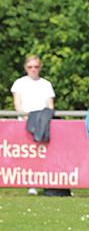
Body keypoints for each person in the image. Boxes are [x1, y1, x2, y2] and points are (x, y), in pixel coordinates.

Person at [10, 55, 56, 195]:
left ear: (40, 67)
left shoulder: (46, 84)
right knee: (27, 154)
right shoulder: (19, 83)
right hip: (24, 122)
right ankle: (31, 183)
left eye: (36, 67)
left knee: (42, 153)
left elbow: (50, 105)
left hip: (42, 122)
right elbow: (17, 103)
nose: (33, 70)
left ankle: (42, 181)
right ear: (25, 68)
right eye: (30, 67)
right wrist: (24, 117)